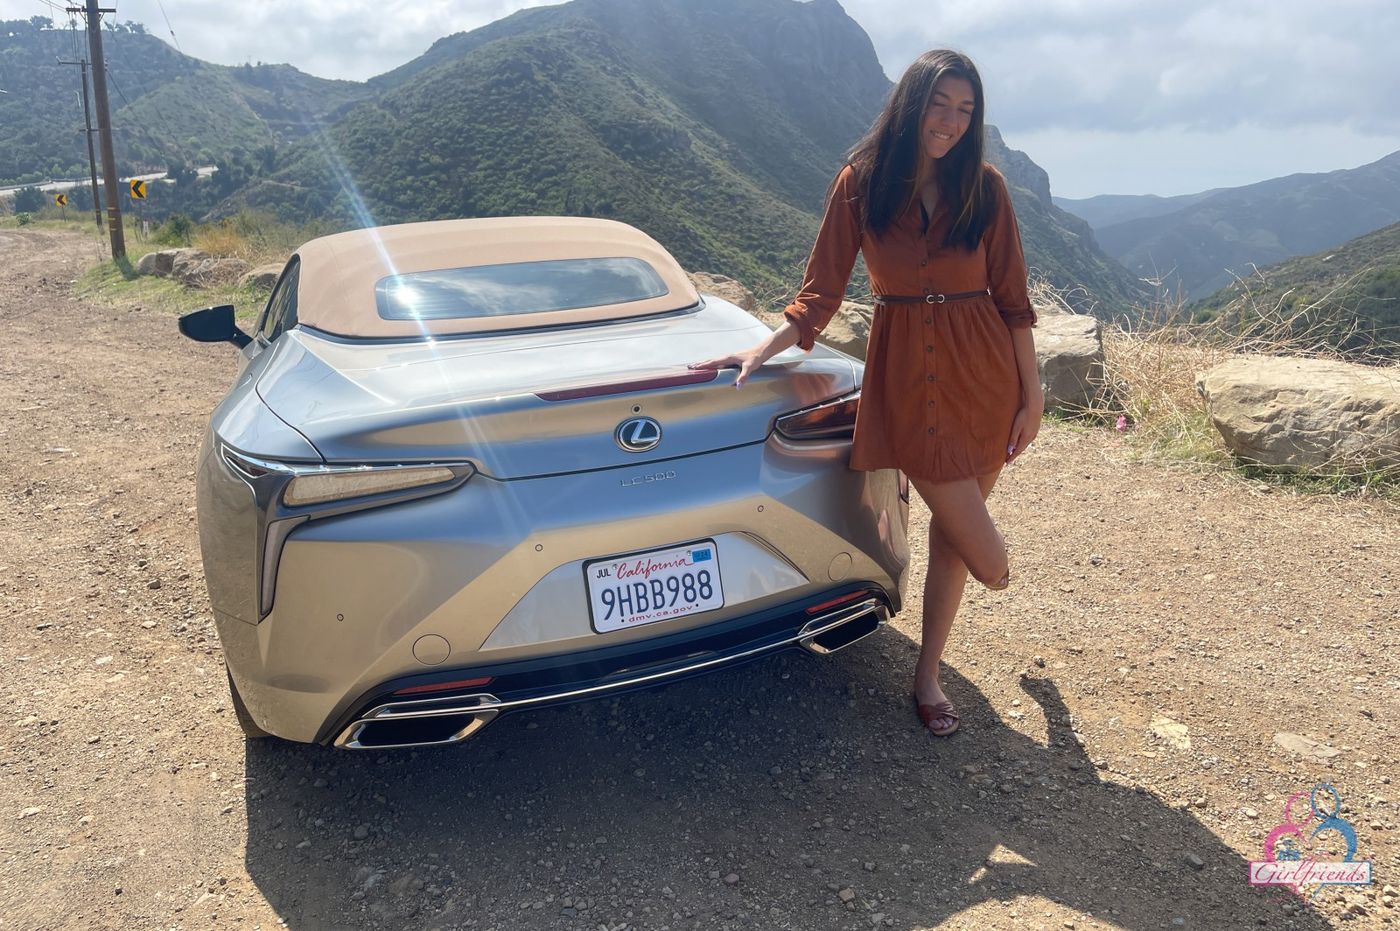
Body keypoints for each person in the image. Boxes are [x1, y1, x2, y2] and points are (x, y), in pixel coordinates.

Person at [690, 49, 1042, 737]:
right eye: (940, 104)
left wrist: (1032, 398)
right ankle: (950, 643)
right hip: (911, 380)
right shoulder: (861, 183)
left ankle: (928, 676)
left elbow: (1014, 301)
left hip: (987, 378)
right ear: (913, 104)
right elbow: (819, 294)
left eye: (965, 110)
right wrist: (762, 347)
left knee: (952, 539)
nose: (950, 122)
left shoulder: (985, 187)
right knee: (990, 562)